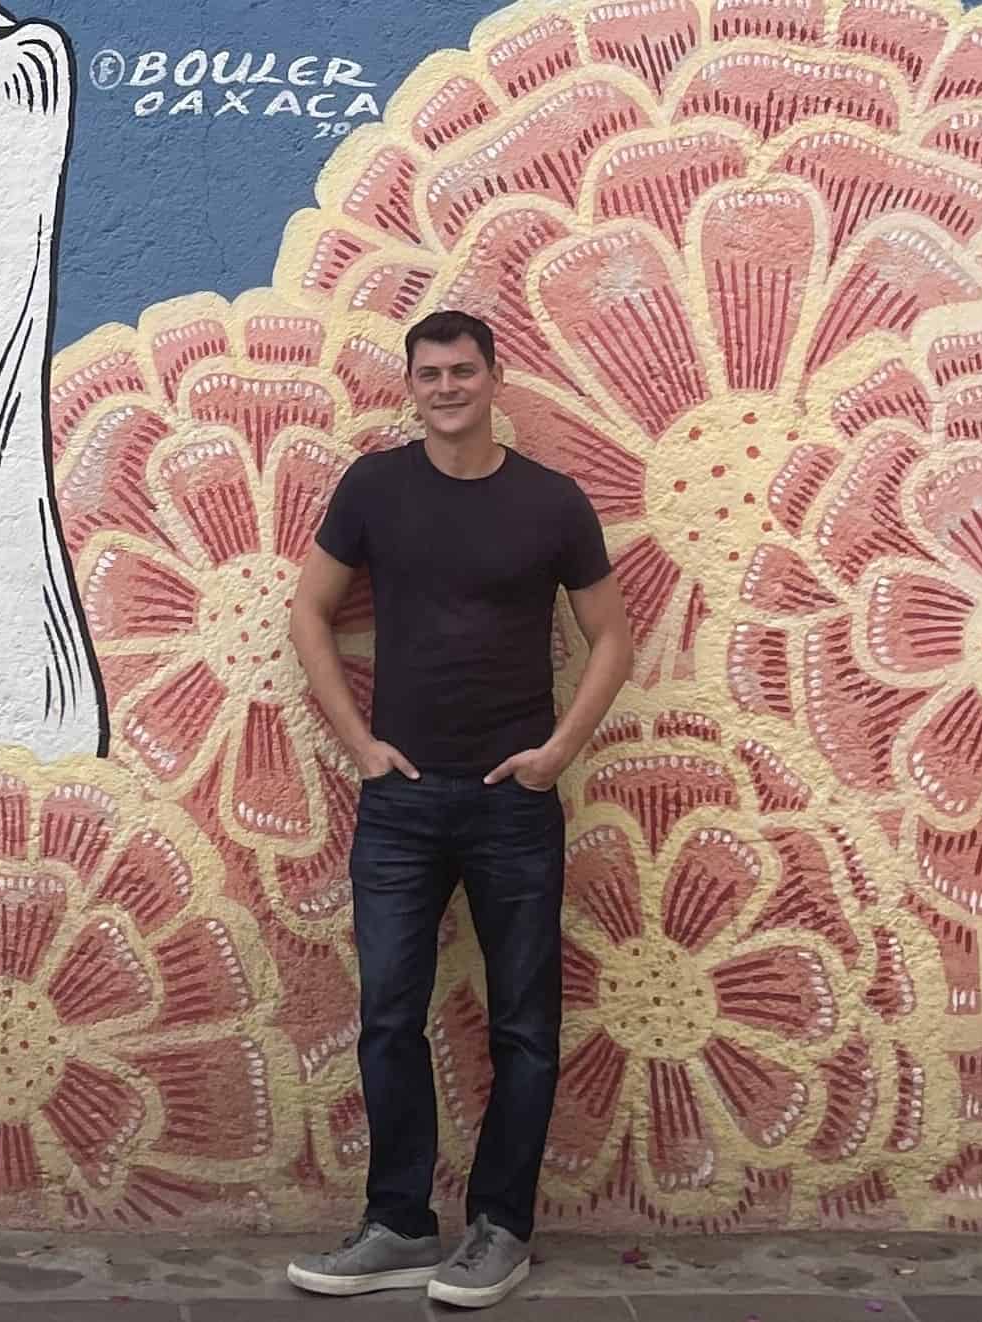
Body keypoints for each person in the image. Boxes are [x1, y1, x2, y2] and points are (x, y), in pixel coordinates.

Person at [284, 309, 632, 1309]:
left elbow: (610, 637)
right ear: (411, 383)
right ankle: (397, 1220)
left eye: (463, 370)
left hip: (512, 802)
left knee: (525, 1023)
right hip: (399, 802)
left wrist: (558, 751)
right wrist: (360, 743)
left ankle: (500, 1226)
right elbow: (309, 609)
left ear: (494, 377)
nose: (446, 386)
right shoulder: (375, 488)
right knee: (389, 1013)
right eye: (429, 372)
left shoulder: (552, 503)